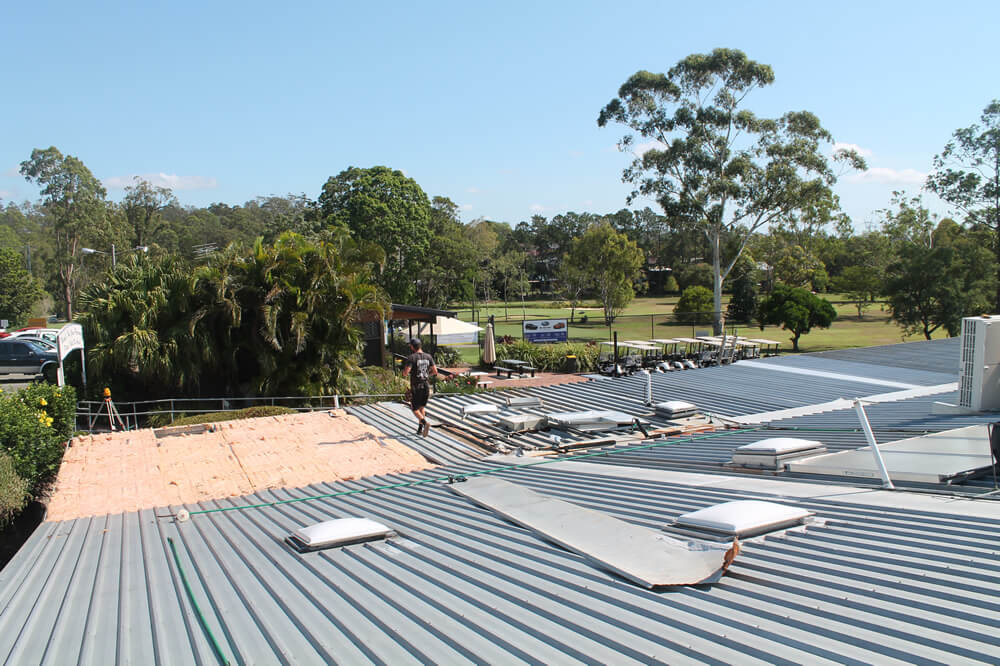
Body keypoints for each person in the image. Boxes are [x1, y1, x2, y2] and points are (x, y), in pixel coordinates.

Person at [402, 337, 437, 436]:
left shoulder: (411, 357)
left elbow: (405, 373)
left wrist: (404, 372)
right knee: (422, 407)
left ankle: (425, 423)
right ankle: (420, 429)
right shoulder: (428, 356)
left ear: (412, 347)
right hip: (426, 385)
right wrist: (426, 375)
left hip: (416, 386)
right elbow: (435, 371)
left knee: (414, 408)